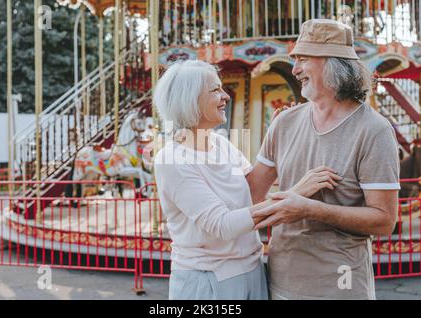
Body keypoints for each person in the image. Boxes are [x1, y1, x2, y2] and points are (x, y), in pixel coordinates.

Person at [153, 59, 341, 300]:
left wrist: (276, 137)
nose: (225, 97)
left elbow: (251, 194)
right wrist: (296, 194)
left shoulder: (220, 143)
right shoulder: (173, 160)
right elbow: (223, 225)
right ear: (189, 98)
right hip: (210, 278)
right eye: (215, 90)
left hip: (251, 267)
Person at [248, 19, 400, 300]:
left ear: (332, 62)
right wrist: (198, 150)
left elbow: (384, 221)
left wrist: (310, 209)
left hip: (340, 287)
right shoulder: (284, 123)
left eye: (303, 59)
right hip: (279, 281)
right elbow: (250, 194)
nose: (294, 70)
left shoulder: (374, 130)